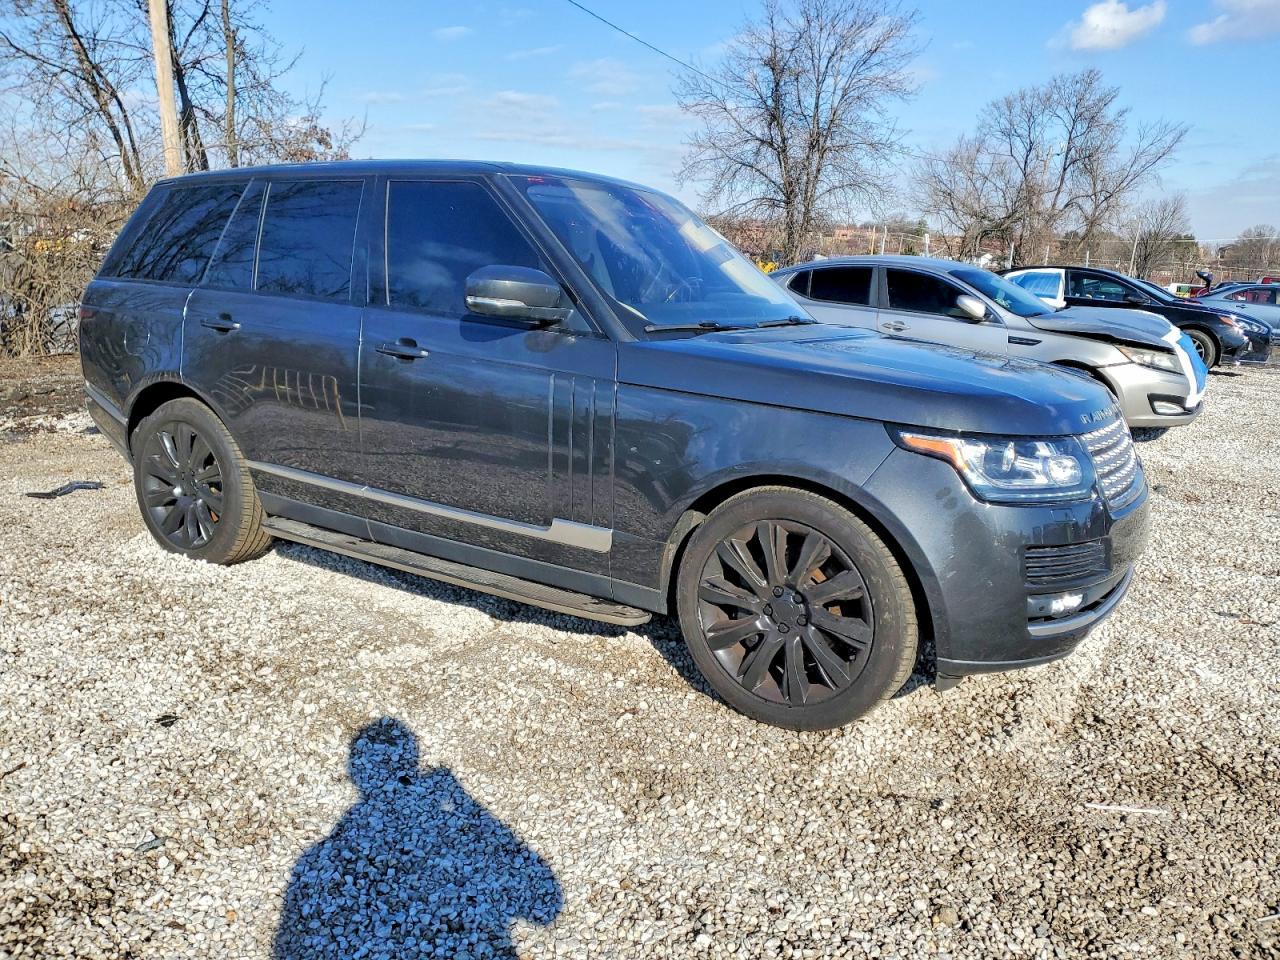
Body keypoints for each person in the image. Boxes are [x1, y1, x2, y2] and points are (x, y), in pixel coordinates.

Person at [273, 718, 562, 959]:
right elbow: (544, 905)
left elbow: (290, 947)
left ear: (354, 773)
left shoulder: (319, 858)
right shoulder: (456, 835)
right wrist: (464, 803)